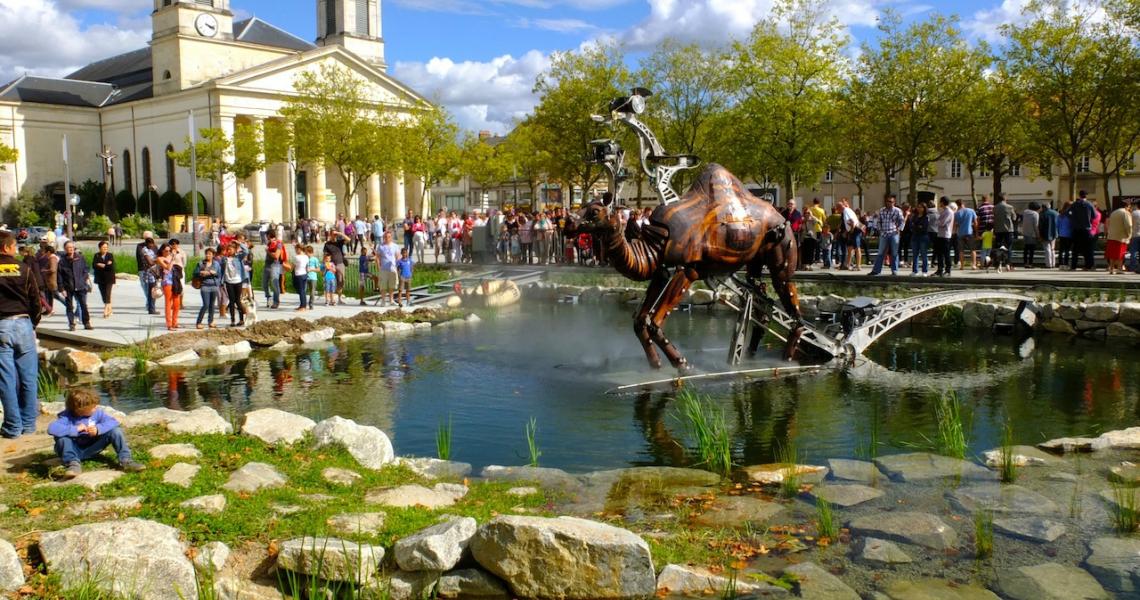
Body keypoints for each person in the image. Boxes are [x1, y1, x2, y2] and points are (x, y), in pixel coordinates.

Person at [0, 230, 42, 439]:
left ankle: (12, 427)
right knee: (29, 377)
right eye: (14, 245)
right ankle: (29, 424)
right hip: (23, 323)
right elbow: (36, 298)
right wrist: (32, 323)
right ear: (7, 247)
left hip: (1, 327)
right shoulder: (24, 268)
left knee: (6, 379)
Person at [48, 388, 144, 479]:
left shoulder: (97, 413)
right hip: (72, 449)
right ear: (79, 410)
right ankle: (73, 464)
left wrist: (98, 429)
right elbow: (52, 429)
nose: (96, 408)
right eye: (93, 407)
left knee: (116, 431)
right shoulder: (67, 417)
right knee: (62, 439)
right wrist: (75, 429)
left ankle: (126, 460)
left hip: (92, 448)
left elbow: (113, 422)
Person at [57, 241, 92, 331]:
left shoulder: (80, 258)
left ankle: (86, 322)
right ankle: (71, 324)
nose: (71, 249)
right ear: (65, 249)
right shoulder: (62, 261)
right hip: (68, 287)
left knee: (83, 305)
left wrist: (83, 279)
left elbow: (86, 269)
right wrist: (61, 288)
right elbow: (59, 275)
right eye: (69, 247)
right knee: (69, 306)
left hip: (80, 286)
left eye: (72, 247)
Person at [869, 195, 904, 276]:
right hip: (884, 234)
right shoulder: (882, 210)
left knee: (894, 252)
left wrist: (899, 229)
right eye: (888, 201)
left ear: (894, 202)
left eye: (891, 202)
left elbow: (902, 221)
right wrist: (880, 230)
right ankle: (876, 270)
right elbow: (878, 221)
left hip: (894, 233)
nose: (889, 203)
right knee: (880, 252)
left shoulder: (897, 211)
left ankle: (894, 270)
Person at [155, 244, 182, 330]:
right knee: (168, 302)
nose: (168, 252)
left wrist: (174, 254)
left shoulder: (171, 256)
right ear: (162, 250)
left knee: (177, 302)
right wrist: (172, 258)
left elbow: (179, 264)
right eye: (166, 251)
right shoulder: (160, 259)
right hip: (167, 282)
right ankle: (169, 324)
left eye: (169, 251)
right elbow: (168, 268)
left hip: (175, 280)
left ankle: (175, 322)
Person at [193, 247, 222, 329]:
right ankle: (199, 322)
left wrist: (213, 275)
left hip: (214, 286)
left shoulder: (216, 264)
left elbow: (219, 274)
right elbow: (195, 273)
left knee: (212, 305)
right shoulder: (201, 263)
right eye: (206, 253)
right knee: (205, 305)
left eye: (209, 254)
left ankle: (211, 321)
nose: (207, 255)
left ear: (213, 255)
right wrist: (201, 272)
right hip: (205, 286)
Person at [1068, 191, 1096, 271]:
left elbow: (1068, 213)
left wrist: (1073, 219)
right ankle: (1088, 266)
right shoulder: (1089, 204)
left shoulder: (1074, 204)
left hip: (1076, 229)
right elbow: (1094, 216)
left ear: (1079, 195)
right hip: (1086, 229)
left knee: (1075, 249)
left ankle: (1073, 266)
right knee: (1087, 249)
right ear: (1086, 196)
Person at [222, 242, 246, 327]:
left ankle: (241, 319)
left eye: (231, 249)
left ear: (235, 250)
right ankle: (232, 320)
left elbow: (245, 251)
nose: (229, 251)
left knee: (238, 301)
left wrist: (239, 243)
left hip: (238, 281)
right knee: (231, 301)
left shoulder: (238, 257)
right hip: (229, 282)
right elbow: (222, 270)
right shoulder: (224, 259)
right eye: (228, 249)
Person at [1106, 202, 1133, 275]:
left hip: (1111, 236)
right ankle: (1119, 269)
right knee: (1120, 254)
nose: (1129, 208)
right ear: (1126, 206)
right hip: (1121, 236)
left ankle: (1111, 269)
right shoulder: (1125, 213)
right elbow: (1129, 225)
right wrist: (1129, 235)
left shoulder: (1113, 213)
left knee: (1112, 254)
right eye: (1129, 207)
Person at [374, 231, 400, 306]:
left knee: (392, 285)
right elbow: (378, 257)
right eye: (385, 237)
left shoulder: (395, 246)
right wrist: (378, 266)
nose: (387, 238)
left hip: (392, 268)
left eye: (388, 237)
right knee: (383, 285)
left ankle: (391, 300)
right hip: (383, 268)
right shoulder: (381, 246)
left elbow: (398, 256)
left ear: (391, 237)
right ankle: (383, 300)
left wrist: (398, 265)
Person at [992, 195, 1017, 271]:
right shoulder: (1010, 207)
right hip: (1008, 230)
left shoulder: (995, 208)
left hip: (998, 230)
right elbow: (1014, 218)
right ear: (1005, 198)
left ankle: (998, 265)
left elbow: (994, 217)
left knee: (998, 248)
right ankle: (1008, 264)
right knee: (1009, 247)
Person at [323, 230, 347, 305]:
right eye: (333, 234)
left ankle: (339, 299)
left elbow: (348, 239)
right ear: (330, 235)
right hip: (331, 265)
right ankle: (330, 299)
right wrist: (325, 265)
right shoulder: (327, 244)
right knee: (330, 281)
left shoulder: (339, 242)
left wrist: (340, 233)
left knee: (341, 281)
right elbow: (325, 255)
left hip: (340, 263)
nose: (334, 236)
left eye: (335, 234)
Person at [135, 232, 158, 314]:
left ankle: (150, 307)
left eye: (151, 238)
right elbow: (146, 260)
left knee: (152, 290)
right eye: (147, 238)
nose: (151, 244)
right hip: (145, 271)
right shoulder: (141, 247)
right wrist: (157, 261)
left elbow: (157, 256)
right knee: (148, 289)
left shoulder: (155, 247)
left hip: (154, 271)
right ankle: (150, 307)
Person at [92, 240, 115, 318]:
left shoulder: (110, 255)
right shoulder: (96, 255)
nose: (105, 249)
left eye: (106, 247)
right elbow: (94, 265)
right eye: (103, 247)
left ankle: (106, 310)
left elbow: (110, 267)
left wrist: (101, 265)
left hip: (109, 278)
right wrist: (104, 265)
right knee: (103, 294)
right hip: (100, 278)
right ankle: (110, 308)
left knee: (108, 293)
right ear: (99, 248)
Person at [934, 197, 955, 277]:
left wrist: (937, 221)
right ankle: (940, 269)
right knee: (939, 253)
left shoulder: (949, 212)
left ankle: (948, 270)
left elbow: (942, 223)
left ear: (943, 202)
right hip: (940, 234)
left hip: (946, 235)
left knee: (946, 253)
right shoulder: (943, 211)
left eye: (940, 202)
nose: (939, 203)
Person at [955, 200, 978, 270]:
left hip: (960, 233)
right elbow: (975, 222)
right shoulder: (971, 211)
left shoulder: (956, 213)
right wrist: (976, 232)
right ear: (963, 203)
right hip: (969, 232)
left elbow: (956, 224)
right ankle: (973, 265)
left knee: (961, 250)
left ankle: (962, 266)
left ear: (957, 205)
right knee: (973, 250)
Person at [909, 202, 931, 276]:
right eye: (918, 207)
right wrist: (917, 226)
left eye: (921, 207)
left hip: (923, 237)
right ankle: (915, 271)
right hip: (915, 236)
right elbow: (911, 226)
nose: (919, 208)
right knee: (915, 254)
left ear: (924, 208)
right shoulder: (914, 216)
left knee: (924, 254)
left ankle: (924, 271)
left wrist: (916, 226)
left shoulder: (926, 217)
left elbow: (924, 227)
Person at [263, 230, 283, 309]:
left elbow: (276, 256)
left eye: (266, 235)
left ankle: (276, 301)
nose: (266, 237)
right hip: (267, 265)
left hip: (275, 266)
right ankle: (269, 298)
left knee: (275, 285)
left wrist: (267, 251)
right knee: (264, 284)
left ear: (269, 235)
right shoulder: (269, 243)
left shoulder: (278, 243)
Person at [842, 199, 863, 270]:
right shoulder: (847, 211)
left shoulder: (846, 210)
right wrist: (847, 232)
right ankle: (847, 264)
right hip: (852, 230)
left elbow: (852, 222)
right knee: (850, 248)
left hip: (854, 230)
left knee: (857, 248)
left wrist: (850, 232)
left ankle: (858, 266)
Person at [1038, 202, 1059, 269]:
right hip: (1054, 233)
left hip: (1045, 233)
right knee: (1052, 249)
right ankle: (1053, 263)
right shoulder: (1056, 213)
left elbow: (1040, 226)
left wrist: (1040, 235)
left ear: (1043, 207)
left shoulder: (1042, 214)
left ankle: (1048, 264)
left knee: (1047, 249)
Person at [1021, 202, 1040, 268]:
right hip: (1032, 234)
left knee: (1026, 249)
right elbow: (1036, 225)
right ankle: (1030, 263)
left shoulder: (1025, 212)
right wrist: (1038, 235)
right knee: (1031, 250)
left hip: (1025, 233)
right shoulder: (1035, 214)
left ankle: (1025, 263)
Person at [291, 244, 310, 312]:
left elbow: (292, 267)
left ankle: (303, 306)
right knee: (302, 291)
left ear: (299, 249)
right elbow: (307, 267)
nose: (295, 250)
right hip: (304, 274)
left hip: (298, 275)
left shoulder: (296, 257)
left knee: (301, 291)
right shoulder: (306, 257)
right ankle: (302, 305)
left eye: (296, 249)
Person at [1130, 199, 1140, 274]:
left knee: (1133, 252)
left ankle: (1132, 267)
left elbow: (1130, 224)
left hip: (1134, 234)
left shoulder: (1133, 213)